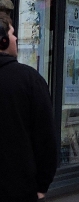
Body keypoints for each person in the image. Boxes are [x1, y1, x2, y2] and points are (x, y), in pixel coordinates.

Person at [0, 11, 58, 201]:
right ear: (3, 41)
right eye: (12, 33)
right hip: (17, 188)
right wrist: (42, 184)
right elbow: (46, 138)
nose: (16, 38)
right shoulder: (29, 80)